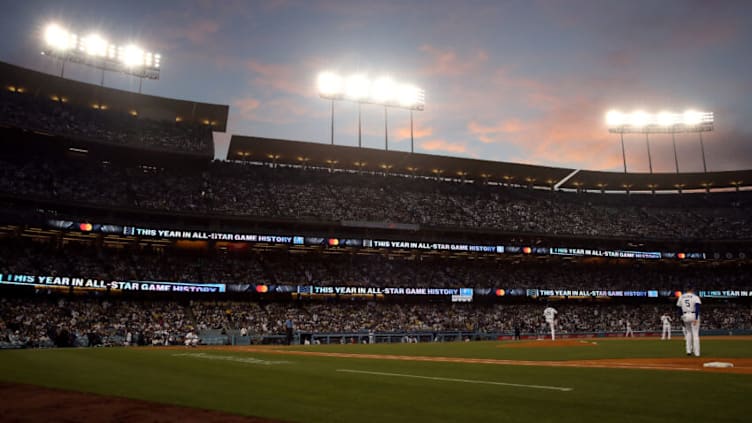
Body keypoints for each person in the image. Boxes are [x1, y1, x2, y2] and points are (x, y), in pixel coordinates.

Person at [677, 287, 701, 357]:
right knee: (695, 334)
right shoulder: (695, 297)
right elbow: (697, 307)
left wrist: (681, 317)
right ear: (692, 290)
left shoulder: (681, 297)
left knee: (688, 333)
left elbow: (679, 309)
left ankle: (688, 351)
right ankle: (696, 353)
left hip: (685, 315)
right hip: (693, 314)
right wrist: (696, 318)